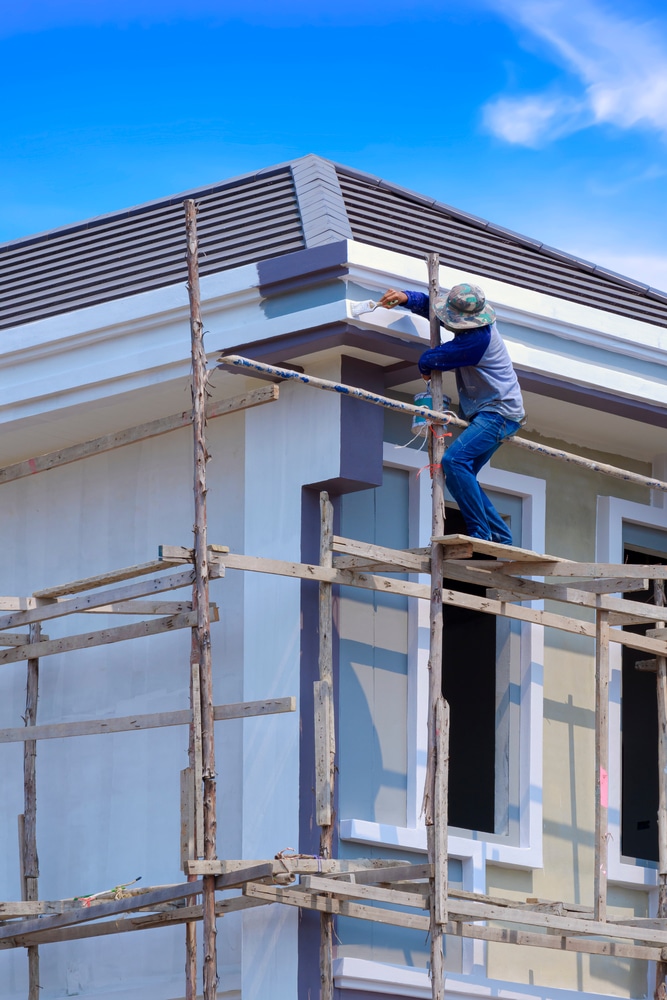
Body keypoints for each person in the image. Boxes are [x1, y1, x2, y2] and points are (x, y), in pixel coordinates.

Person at [378, 283, 525, 545]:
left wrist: (424, 363)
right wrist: (405, 298)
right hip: (494, 413)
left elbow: (435, 358)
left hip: (498, 413)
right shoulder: (472, 326)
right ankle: (501, 536)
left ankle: (482, 534)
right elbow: (434, 309)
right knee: (461, 474)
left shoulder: (477, 340)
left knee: (455, 462)